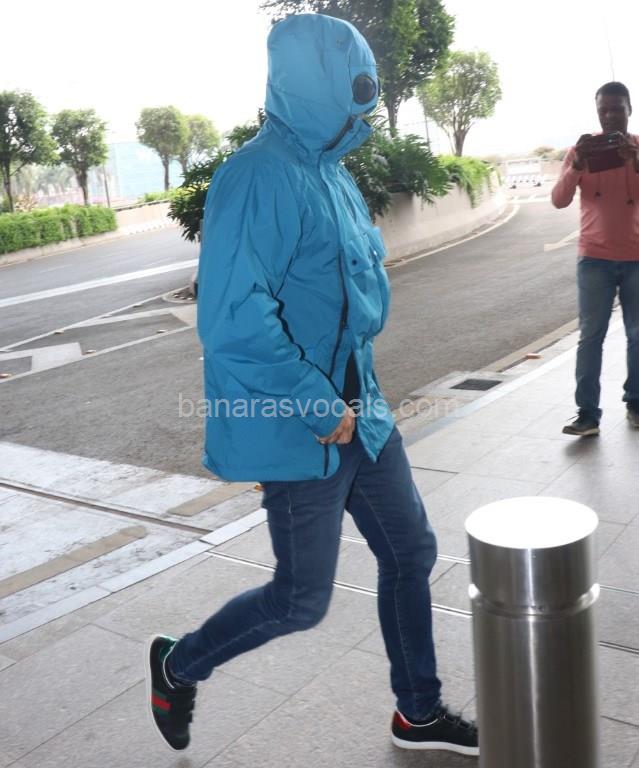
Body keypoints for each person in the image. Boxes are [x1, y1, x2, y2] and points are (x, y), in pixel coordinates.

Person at [145, 13, 478, 758]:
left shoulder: (332, 175)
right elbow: (232, 320)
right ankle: (178, 665)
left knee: (410, 552)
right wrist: (319, 404)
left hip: (362, 413)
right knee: (301, 599)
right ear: (314, 84)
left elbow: (351, 300)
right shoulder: (256, 177)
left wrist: (355, 398)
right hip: (304, 423)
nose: (365, 100)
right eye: (354, 84)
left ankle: (417, 711)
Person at [552, 81, 639, 436]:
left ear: (629, 110)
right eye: (603, 109)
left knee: (638, 335)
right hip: (594, 259)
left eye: (617, 108)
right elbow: (559, 200)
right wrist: (577, 165)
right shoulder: (581, 150)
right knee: (590, 337)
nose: (610, 116)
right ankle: (587, 414)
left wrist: (636, 162)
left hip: (636, 258)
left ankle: (636, 403)